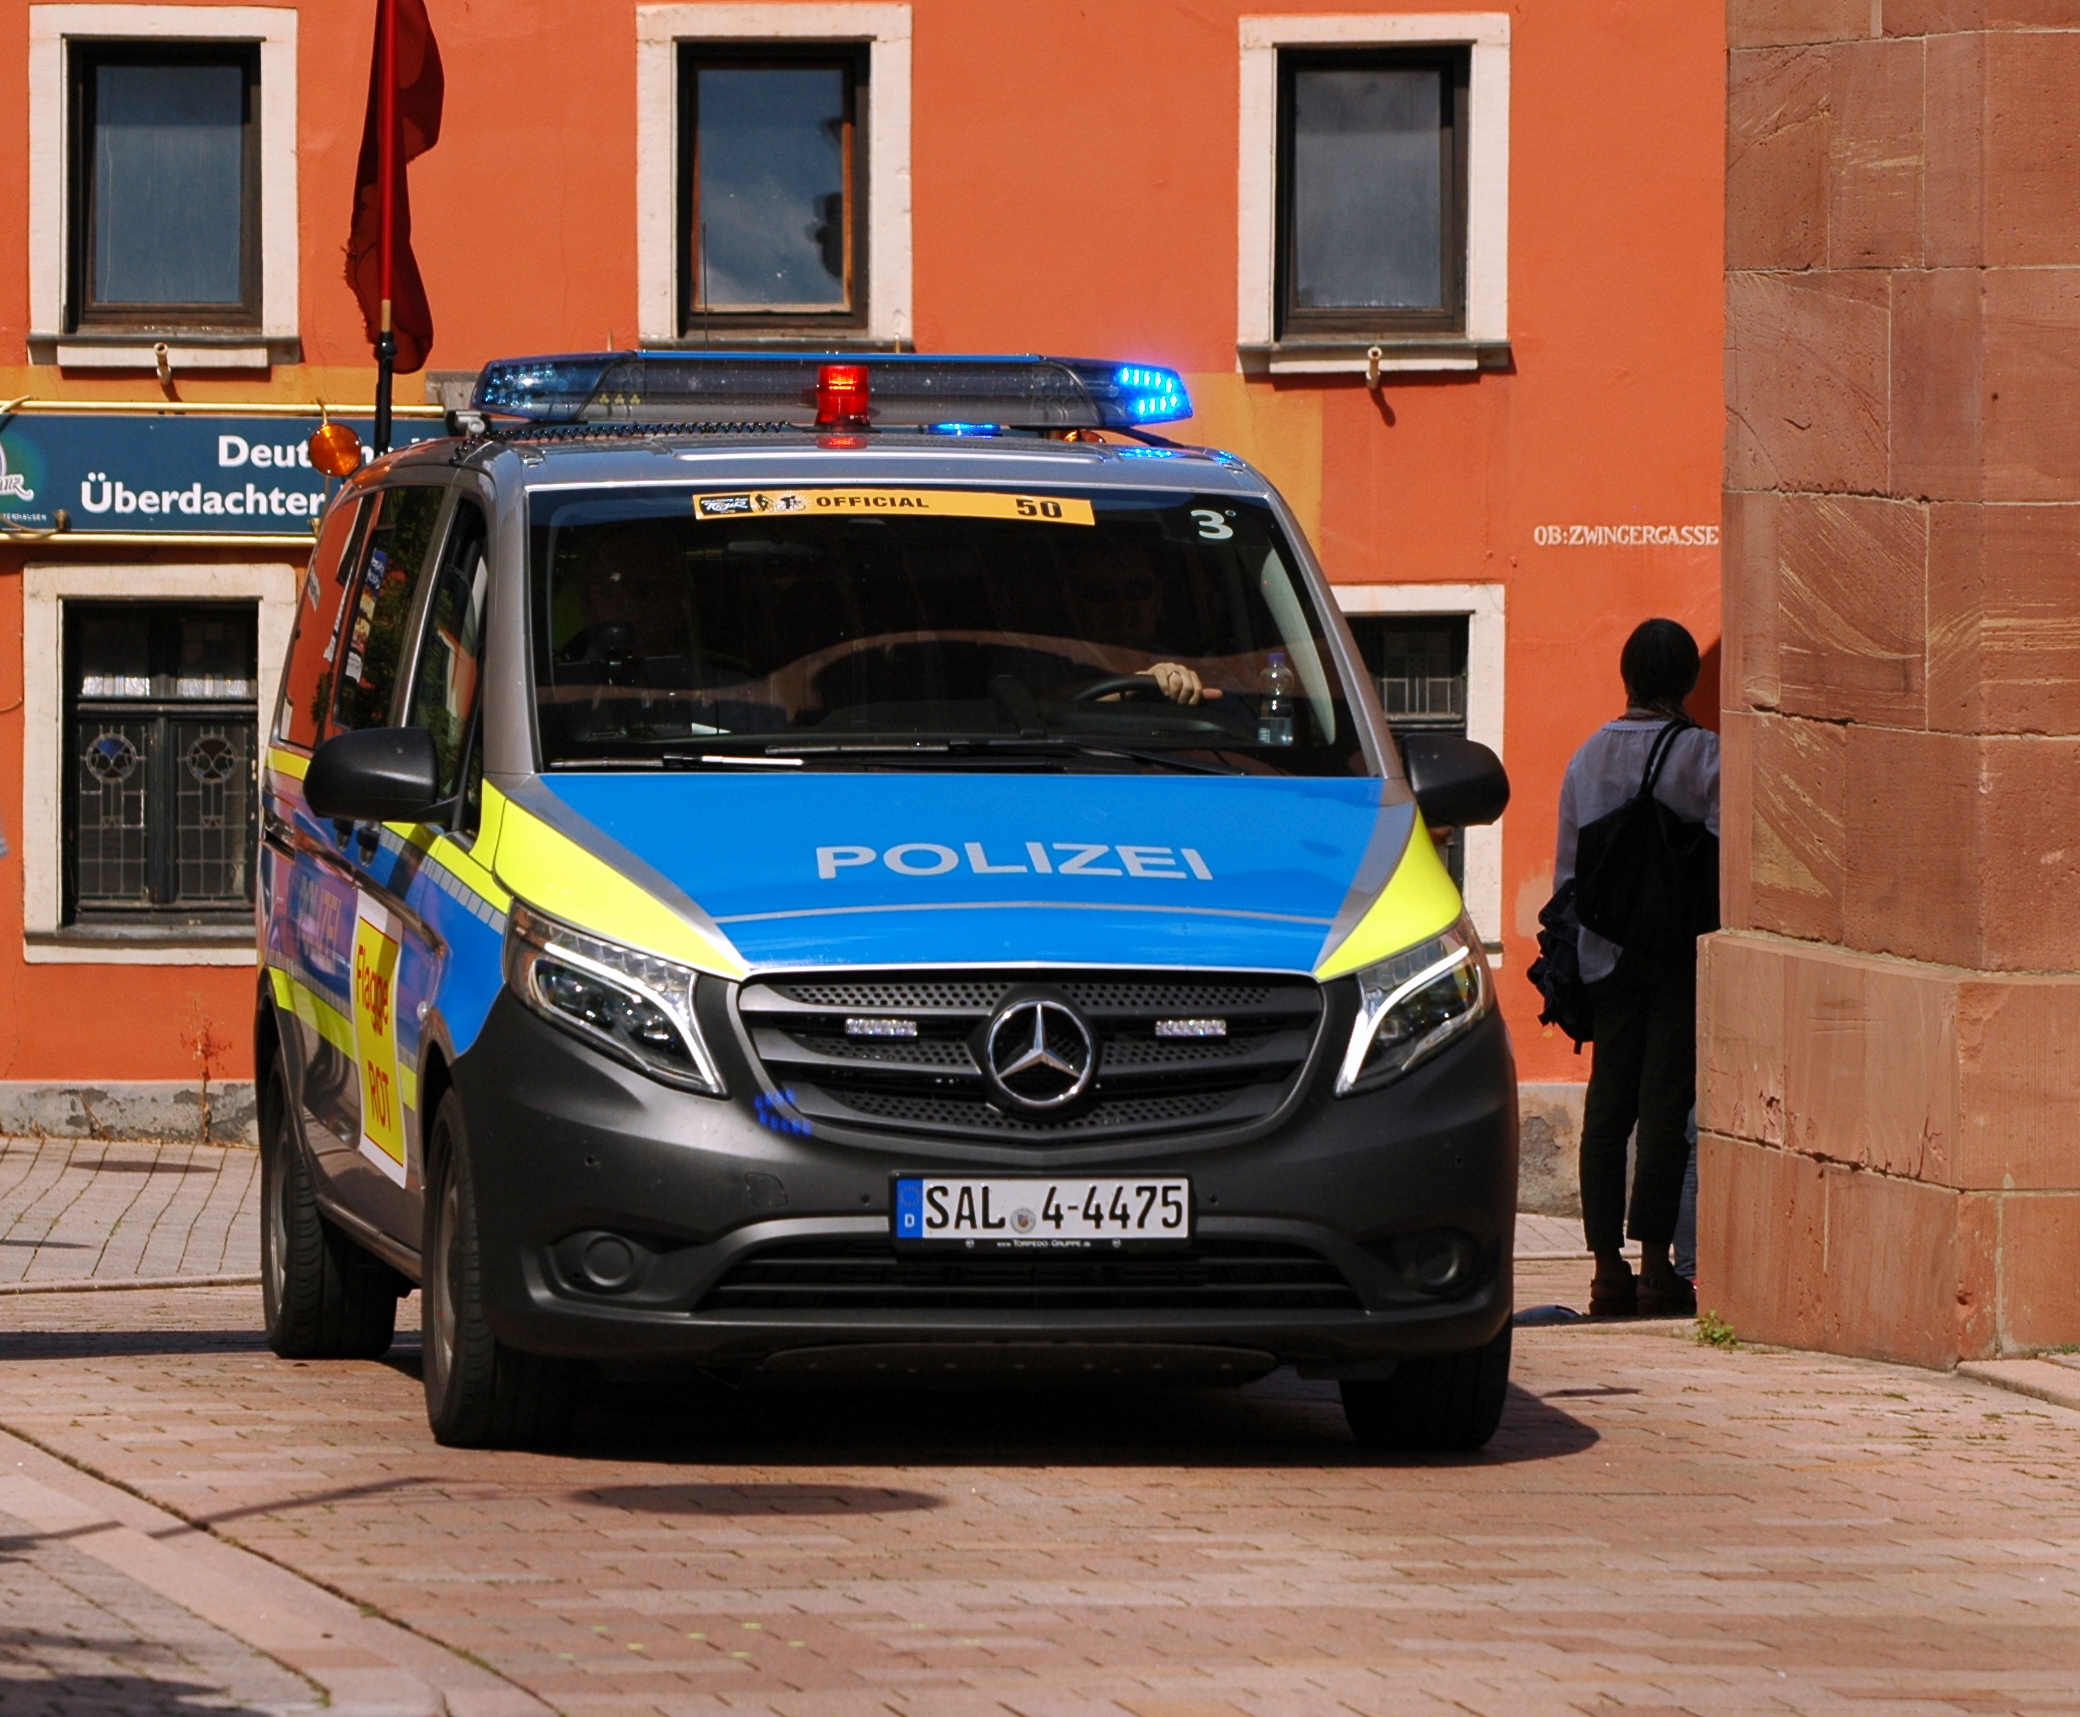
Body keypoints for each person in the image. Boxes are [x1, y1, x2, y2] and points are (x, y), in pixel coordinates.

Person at [1552, 619, 1718, 1318]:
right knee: (1663, 1106)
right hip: (1677, 954)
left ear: (1626, 674)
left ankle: (1604, 1267)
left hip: (1604, 956)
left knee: (1606, 1108)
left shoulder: (1585, 760)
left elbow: (1567, 875)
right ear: (1686, 678)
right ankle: (1656, 1265)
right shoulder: (1706, 756)